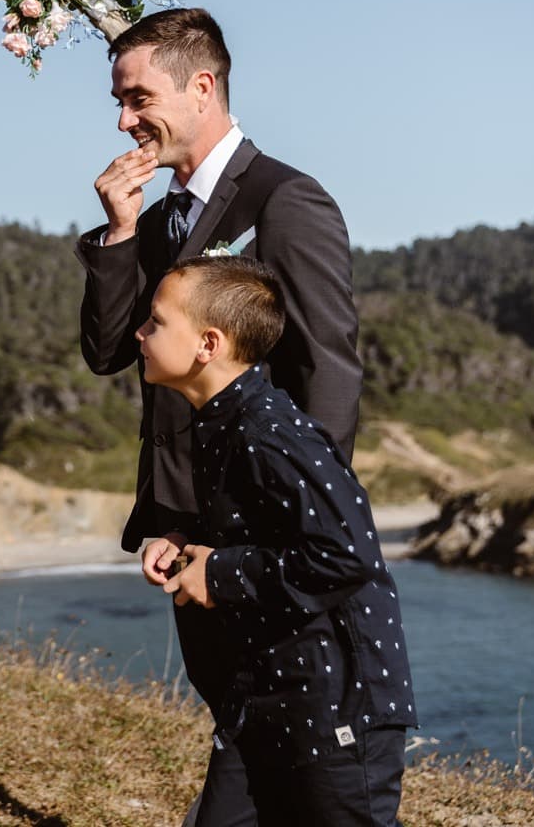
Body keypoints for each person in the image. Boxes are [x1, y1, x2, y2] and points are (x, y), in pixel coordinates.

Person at [77, 6, 363, 825]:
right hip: (184, 532)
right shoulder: (161, 217)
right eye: (119, 102)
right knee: (241, 731)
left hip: (262, 543)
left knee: (268, 753)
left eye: (138, 98)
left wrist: (294, 528)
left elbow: (330, 371)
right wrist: (120, 234)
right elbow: (109, 351)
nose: (125, 120)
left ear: (202, 86)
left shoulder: (286, 202)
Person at [136, 255, 415, 826]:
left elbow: (348, 555)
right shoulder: (222, 420)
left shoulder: (271, 431)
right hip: (266, 695)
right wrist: (186, 539)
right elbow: (264, 527)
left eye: (156, 322)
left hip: (335, 706)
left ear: (207, 345)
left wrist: (216, 575)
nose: (140, 333)